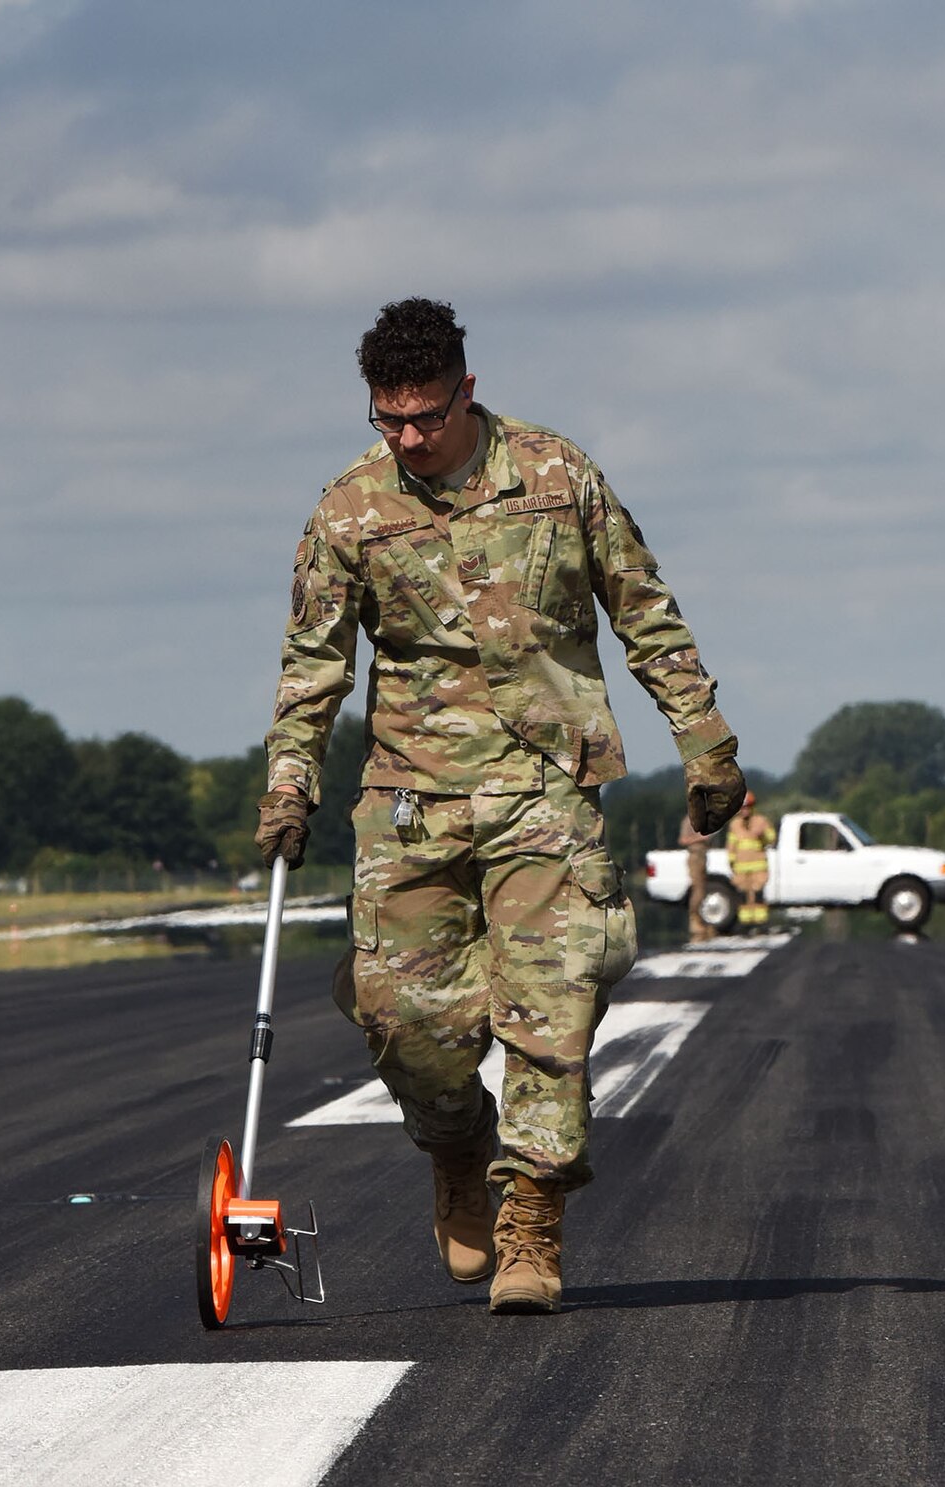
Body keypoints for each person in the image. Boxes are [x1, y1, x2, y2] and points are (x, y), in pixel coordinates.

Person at [254, 298, 745, 1313]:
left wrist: (704, 743)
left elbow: (644, 611)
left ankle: (530, 1217)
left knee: (553, 1003)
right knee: (402, 1018)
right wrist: (290, 783)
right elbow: (313, 663)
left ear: (465, 391)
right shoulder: (349, 508)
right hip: (409, 801)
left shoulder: (559, 476)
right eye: (390, 420)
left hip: (545, 789)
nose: (409, 438)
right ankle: (456, 1142)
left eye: (426, 416)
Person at [725, 791, 777, 927]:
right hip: (741, 868)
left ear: (752, 807)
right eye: (742, 808)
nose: (745, 811)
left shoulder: (761, 821)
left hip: (758, 867)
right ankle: (745, 923)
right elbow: (731, 845)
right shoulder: (735, 825)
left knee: (758, 894)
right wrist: (731, 861)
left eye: (747, 807)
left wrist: (763, 834)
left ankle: (760, 923)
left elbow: (771, 839)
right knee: (743, 895)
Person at [677, 812, 716, 942]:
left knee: (703, 889)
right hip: (695, 855)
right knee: (697, 890)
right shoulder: (689, 820)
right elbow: (683, 840)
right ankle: (694, 920)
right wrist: (700, 838)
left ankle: (701, 920)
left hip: (703, 855)